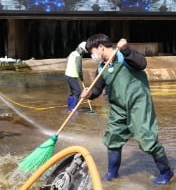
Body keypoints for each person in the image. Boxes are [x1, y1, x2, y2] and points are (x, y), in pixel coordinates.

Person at [81, 34, 174, 185]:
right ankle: (112, 173)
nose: (92, 56)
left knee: (146, 139)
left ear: (100, 47)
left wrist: (125, 49)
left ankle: (166, 172)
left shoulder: (124, 56)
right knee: (113, 139)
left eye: (92, 52)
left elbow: (142, 63)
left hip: (138, 104)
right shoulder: (101, 68)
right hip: (118, 107)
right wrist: (89, 94)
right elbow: (97, 89)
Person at [64, 41, 87, 111]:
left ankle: (70, 107)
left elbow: (67, 60)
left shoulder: (72, 53)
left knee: (73, 92)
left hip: (67, 75)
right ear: (81, 49)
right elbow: (79, 68)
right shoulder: (78, 56)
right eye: (83, 52)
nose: (83, 54)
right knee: (77, 91)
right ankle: (72, 108)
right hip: (72, 76)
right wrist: (81, 77)